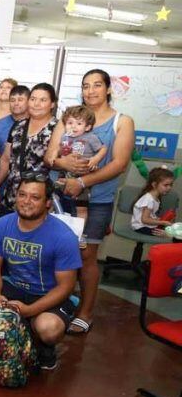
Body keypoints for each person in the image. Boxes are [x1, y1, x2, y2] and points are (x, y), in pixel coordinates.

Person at [0, 173, 82, 370]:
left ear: (47, 204)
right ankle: (4, 339)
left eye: (35, 197)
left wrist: (29, 311)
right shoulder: (3, 225)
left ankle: (43, 346)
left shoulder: (63, 236)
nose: (26, 201)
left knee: (48, 329)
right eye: (22, 195)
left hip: (48, 293)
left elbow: (66, 287)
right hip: (15, 285)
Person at [50, 69, 136, 335]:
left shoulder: (122, 121)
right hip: (60, 196)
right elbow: (51, 155)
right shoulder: (70, 117)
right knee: (56, 253)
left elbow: (119, 164)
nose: (91, 91)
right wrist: (59, 162)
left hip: (96, 199)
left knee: (86, 256)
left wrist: (83, 183)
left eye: (97, 85)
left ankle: (85, 313)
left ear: (108, 89)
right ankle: (59, 305)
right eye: (86, 86)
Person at [0, 83, 59, 215]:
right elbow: (5, 159)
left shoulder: (58, 128)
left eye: (43, 100)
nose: (36, 104)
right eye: (33, 99)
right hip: (12, 197)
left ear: (52, 104)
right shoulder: (18, 126)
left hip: (39, 203)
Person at [46, 105, 107, 223]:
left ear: (88, 126)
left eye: (79, 124)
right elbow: (59, 148)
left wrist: (95, 159)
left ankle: (79, 230)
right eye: (70, 122)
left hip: (82, 175)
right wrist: (54, 155)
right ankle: (51, 224)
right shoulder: (65, 136)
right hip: (64, 174)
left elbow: (103, 148)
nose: (73, 126)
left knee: (81, 206)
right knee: (54, 200)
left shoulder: (91, 137)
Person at [131, 167, 175, 236]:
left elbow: (149, 216)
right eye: (166, 185)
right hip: (141, 227)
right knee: (170, 234)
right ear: (154, 185)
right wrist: (162, 222)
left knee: (172, 231)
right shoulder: (149, 200)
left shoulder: (155, 198)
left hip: (146, 225)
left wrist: (158, 220)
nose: (169, 188)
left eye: (171, 185)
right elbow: (144, 219)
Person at [0, 84, 29, 155]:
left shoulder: (35, 123)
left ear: (29, 102)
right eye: (12, 100)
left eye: (20, 100)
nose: (16, 103)